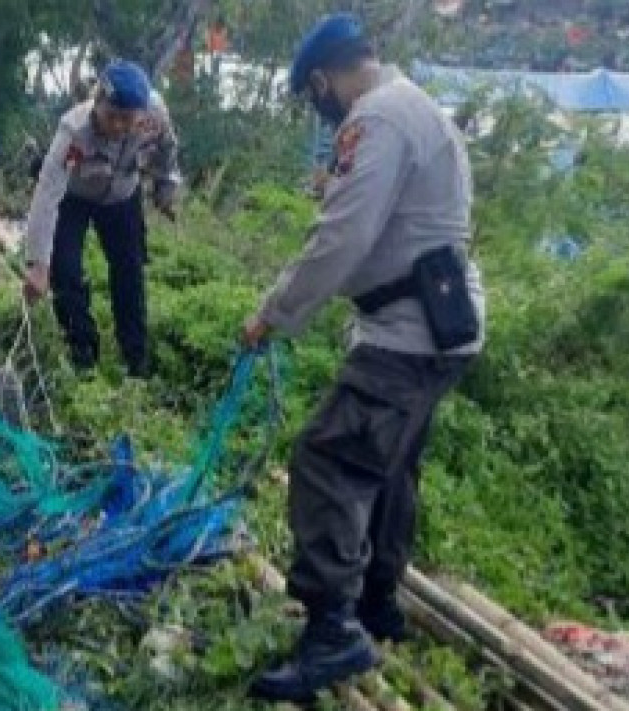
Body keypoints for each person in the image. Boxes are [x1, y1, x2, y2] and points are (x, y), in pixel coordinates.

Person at [239, 14, 485, 703]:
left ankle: (331, 630)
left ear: (322, 80)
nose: (318, 108)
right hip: (440, 326)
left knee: (328, 461)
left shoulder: (376, 119)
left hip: (407, 334)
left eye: (313, 95)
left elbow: (340, 237)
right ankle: (378, 600)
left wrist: (272, 314)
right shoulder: (415, 107)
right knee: (390, 463)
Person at [22, 60, 182, 377]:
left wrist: (165, 186)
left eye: (127, 119)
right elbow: (46, 194)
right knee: (65, 272)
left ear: (141, 114)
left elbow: (167, 149)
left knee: (129, 273)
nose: (119, 126)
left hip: (122, 195)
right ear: (97, 103)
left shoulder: (155, 115)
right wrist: (37, 264)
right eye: (111, 116)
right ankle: (83, 353)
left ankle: (135, 360)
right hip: (74, 197)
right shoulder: (73, 130)